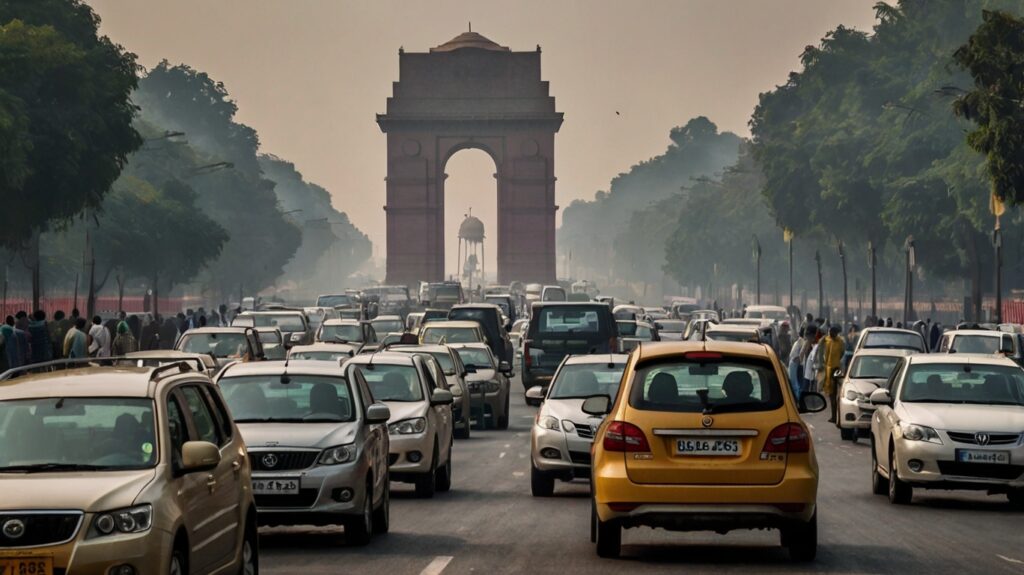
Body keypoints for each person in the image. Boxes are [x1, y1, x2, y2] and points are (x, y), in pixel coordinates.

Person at [823, 325, 845, 423]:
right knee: (832, 394)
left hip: (835, 369)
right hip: (829, 369)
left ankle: (835, 416)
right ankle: (834, 416)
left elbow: (842, 353)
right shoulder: (827, 340)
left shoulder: (840, 341)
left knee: (834, 394)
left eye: (832, 333)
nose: (831, 334)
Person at [787, 327, 806, 399]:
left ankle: (797, 399)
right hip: (795, 363)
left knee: (794, 384)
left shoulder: (801, 341)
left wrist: (797, 359)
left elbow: (799, 355)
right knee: (796, 384)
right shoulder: (801, 341)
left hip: (795, 363)